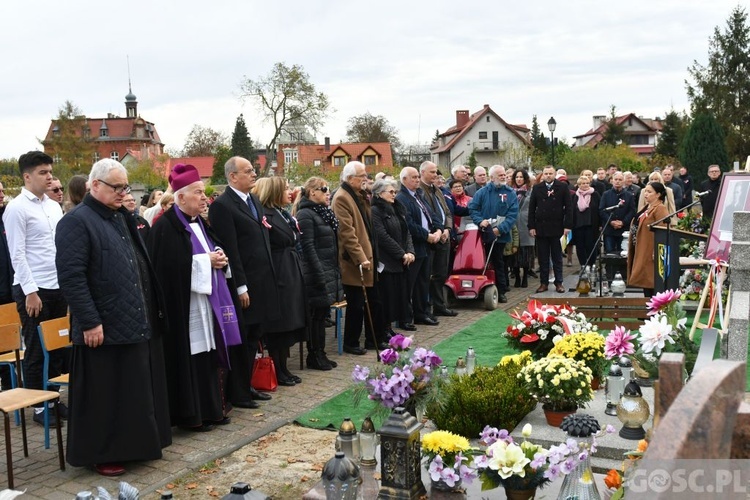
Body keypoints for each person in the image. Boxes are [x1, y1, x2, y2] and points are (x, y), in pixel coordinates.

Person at [56, 158, 170, 475]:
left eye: (125, 187)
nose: (123, 193)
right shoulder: (76, 222)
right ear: (95, 186)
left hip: (132, 319)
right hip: (101, 326)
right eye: (116, 187)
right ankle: (104, 453)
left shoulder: (120, 217)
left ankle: (135, 447)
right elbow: (72, 277)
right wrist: (90, 321)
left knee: (131, 390)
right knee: (105, 395)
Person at [148, 164, 238, 432]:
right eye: (198, 192)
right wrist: (203, 261)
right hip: (185, 307)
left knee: (209, 355)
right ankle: (191, 415)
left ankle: (212, 410)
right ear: (181, 197)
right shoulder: (166, 227)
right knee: (191, 358)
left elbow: (212, 248)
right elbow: (166, 268)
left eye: (204, 192)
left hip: (205, 302)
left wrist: (218, 256)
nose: (204, 197)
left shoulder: (201, 223)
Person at [3, 151, 68, 427]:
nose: (49, 177)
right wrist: (30, 291)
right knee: (37, 350)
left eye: (50, 171)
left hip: (56, 284)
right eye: (43, 172)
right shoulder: (17, 208)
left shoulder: (52, 206)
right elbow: (17, 254)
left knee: (57, 347)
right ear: (27, 177)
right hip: (34, 288)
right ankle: (39, 406)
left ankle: (52, 398)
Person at [208, 156, 278, 407]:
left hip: (263, 279)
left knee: (256, 334)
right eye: (247, 171)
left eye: (253, 170)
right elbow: (231, 249)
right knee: (244, 337)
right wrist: (240, 286)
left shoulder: (254, 200)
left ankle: (247, 384)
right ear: (232, 176)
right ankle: (238, 392)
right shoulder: (223, 206)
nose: (253, 174)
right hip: (244, 282)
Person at [253, 176, 308, 384]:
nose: (290, 192)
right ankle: (278, 368)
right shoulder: (266, 215)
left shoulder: (282, 213)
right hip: (279, 271)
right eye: (286, 189)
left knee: (290, 320)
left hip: (291, 268)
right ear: (275, 192)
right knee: (280, 323)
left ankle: (284, 367)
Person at [294, 176, 343, 371]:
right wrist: (319, 273)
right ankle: (314, 354)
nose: (327, 192)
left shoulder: (323, 212)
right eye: (323, 189)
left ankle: (320, 352)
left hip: (328, 268)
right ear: (312, 192)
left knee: (322, 314)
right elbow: (308, 247)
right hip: (316, 272)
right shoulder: (306, 214)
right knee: (316, 316)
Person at [332, 161, 382, 354]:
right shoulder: (342, 198)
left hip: (369, 256)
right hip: (354, 262)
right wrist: (361, 258)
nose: (365, 179)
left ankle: (373, 339)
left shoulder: (360, 195)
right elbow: (347, 233)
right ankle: (351, 342)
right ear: (350, 178)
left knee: (373, 301)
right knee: (356, 305)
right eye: (362, 176)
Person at [396, 167, 442, 330]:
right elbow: (408, 224)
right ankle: (406, 318)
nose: (417, 180)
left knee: (423, 282)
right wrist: (426, 235)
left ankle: (422, 313)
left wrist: (438, 229)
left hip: (426, 246)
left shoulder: (419, 195)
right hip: (413, 246)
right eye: (413, 177)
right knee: (409, 285)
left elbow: (431, 215)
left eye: (417, 177)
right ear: (404, 180)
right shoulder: (402, 198)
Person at [370, 179, 415, 338]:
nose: (394, 195)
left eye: (395, 192)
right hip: (386, 262)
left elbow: (406, 231)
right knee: (386, 298)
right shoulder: (375, 210)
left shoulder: (396, 208)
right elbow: (382, 236)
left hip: (400, 262)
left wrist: (410, 251)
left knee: (396, 297)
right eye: (391, 192)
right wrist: (401, 254)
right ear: (379, 193)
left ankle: (388, 328)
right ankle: (382, 330)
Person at [468, 165, 519, 302]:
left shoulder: (510, 193)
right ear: (492, 177)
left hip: (501, 235)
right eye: (500, 175)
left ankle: (501, 290)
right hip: (484, 234)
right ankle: (481, 287)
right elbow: (473, 208)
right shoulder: (482, 193)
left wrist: (500, 229)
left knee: (498, 262)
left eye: (504, 174)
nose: (503, 177)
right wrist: (480, 221)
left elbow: (513, 214)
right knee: (482, 261)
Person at [527, 165, 573, 293]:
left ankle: (559, 282)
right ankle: (544, 283)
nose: (548, 176)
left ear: (554, 174)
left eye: (550, 173)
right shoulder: (537, 188)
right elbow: (531, 208)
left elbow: (569, 208)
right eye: (546, 173)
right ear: (542, 175)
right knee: (543, 257)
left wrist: (567, 226)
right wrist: (531, 226)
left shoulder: (562, 187)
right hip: (541, 228)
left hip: (557, 227)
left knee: (557, 257)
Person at [419, 162, 456, 317]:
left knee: (441, 273)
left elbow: (447, 212)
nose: (435, 175)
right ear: (422, 172)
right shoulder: (420, 191)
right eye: (432, 172)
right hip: (431, 239)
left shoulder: (437, 190)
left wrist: (447, 229)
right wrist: (438, 231)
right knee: (429, 275)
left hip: (444, 237)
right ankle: (428, 307)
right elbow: (428, 215)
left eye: (436, 172)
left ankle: (439, 305)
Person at [626, 182, 670, 297]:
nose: (646, 194)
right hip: (640, 248)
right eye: (645, 191)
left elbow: (663, 230)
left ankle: (654, 311)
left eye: (649, 192)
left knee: (651, 281)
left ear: (658, 194)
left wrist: (657, 250)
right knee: (646, 282)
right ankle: (648, 310)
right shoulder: (646, 208)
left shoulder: (660, 208)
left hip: (650, 250)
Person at [599, 172, 635, 254]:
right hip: (609, 229)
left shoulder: (629, 195)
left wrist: (623, 222)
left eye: (620, 179)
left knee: (623, 253)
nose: (618, 181)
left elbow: (632, 211)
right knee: (609, 253)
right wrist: (611, 222)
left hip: (623, 229)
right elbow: (602, 210)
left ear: (623, 181)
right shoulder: (606, 194)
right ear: (612, 181)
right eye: (616, 179)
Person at [510, 169, 534, 288]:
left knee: (526, 252)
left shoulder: (530, 191)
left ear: (525, 179)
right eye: (517, 177)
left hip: (526, 223)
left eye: (521, 177)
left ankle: (525, 276)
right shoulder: (510, 192)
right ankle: (517, 277)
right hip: (513, 223)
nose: (519, 179)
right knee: (514, 252)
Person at [572, 176, 601, 267]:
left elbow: (600, 210)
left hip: (591, 225)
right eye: (583, 183)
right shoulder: (574, 196)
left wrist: (600, 224)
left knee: (591, 246)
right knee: (580, 246)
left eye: (587, 183)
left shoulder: (595, 195)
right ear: (579, 185)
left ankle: (591, 264)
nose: (585, 185)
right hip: (578, 225)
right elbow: (571, 210)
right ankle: (583, 265)